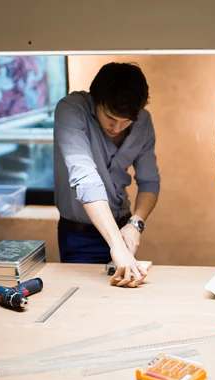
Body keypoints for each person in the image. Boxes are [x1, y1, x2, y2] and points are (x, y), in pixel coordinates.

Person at [53, 62, 160, 288]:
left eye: (126, 122)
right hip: (79, 236)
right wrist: (117, 247)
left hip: (124, 229)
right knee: (84, 302)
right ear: (96, 100)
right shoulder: (71, 110)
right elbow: (86, 179)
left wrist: (135, 224)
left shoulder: (144, 121)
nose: (117, 128)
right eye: (110, 118)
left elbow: (149, 182)